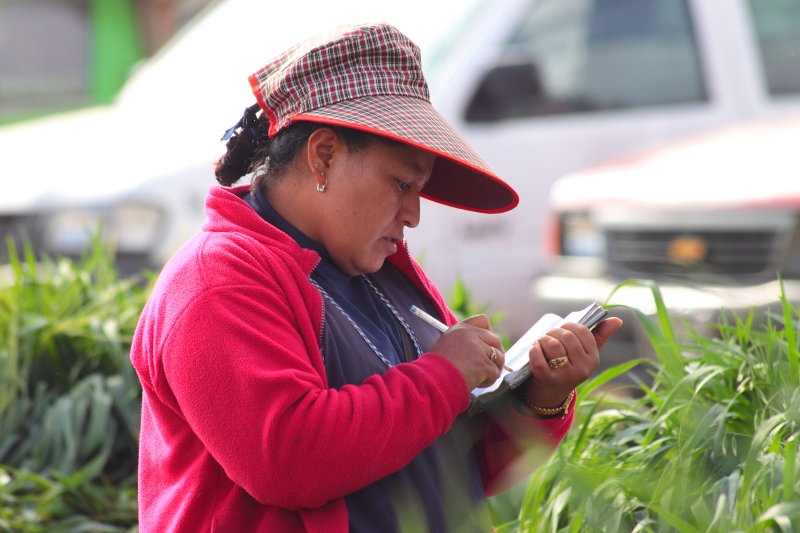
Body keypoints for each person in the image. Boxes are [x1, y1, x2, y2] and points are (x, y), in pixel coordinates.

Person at [130, 23, 622, 532]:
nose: (413, 214)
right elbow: (288, 461)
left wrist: (543, 396)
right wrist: (446, 373)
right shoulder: (217, 280)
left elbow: (449, 464)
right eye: (402, 183)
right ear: (323, 156)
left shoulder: (380, 272)